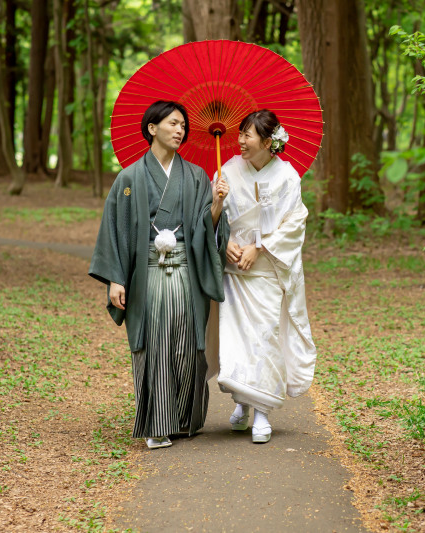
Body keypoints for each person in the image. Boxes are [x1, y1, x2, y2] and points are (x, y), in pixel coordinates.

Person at [89, 100, 229, 449]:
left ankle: (183, 418)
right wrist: (116, 279)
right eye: (172, 123)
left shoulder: (196, 176)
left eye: (183, 125)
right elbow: (116, 231)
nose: (180, 130)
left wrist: (216, 205)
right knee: (153, 344)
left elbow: (205, 228)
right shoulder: (129, 178)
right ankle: (156, 425)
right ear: (152, 128)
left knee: (188, 345)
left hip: (186, 271)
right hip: (148, 273)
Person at [207, 109, 316, 444]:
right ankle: (242, 403)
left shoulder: (287, 176)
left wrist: (260, 247)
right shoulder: (226, 171)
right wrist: (224, 239)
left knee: (265, 339)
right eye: (239, 134)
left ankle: (262, 412)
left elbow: (295, 223)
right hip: (234, 273)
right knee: (236, 342)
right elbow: (211, 220)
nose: (240, 141)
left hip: (266, 271)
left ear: (268, 142)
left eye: (247, 135)